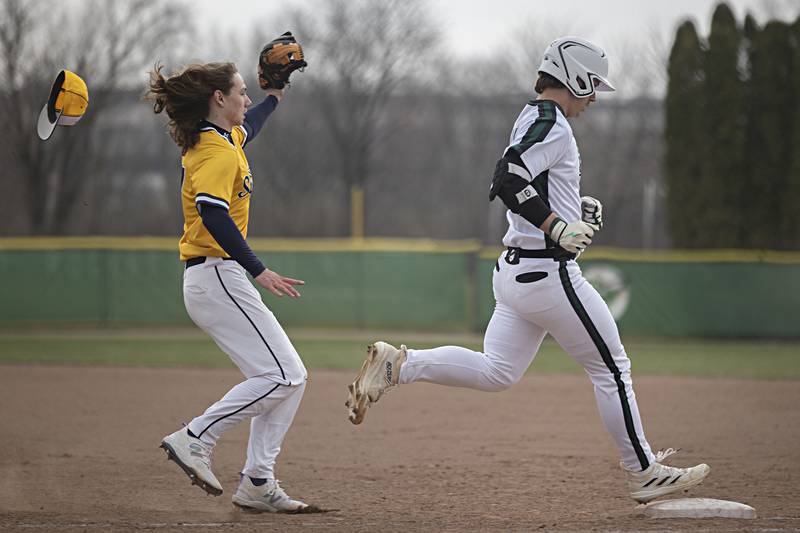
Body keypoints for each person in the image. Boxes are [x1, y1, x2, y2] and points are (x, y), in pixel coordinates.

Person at [345, 37, 711, 504]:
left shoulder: (534, 115)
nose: (595, 96)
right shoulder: (553, 124)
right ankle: (643, 472)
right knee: (612, 369)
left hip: (516, 273)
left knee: (498, 371)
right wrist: (557, 225)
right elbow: (507, 178)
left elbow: (523, 181)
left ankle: (401, 364)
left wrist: (567, 210)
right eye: (592, 85)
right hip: (547, 275)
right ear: (574, 78)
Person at [146, 61, 311, 513]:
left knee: (288, 377)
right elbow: (213, 213)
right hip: (217, 273)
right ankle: (196, 436)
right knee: (283, 375)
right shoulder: (215, 153)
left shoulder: (222, 139)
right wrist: (259, 269)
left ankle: (258, 480)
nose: (246, 98)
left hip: (216, 276)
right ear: (218, 98)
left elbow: (251, 125)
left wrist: (275, 95)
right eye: (240, 91)